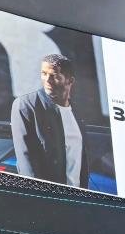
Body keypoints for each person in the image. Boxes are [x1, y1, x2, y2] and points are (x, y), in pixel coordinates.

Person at [10, 52, 90, 187]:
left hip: (75, 195)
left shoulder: (76, 113)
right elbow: (26, 160)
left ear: (70, 81)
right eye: (44, 74)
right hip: (47, 195)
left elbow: (80, 158)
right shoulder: (26, 105)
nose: (47, 80)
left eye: (55, 76)